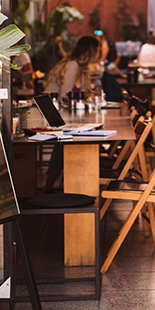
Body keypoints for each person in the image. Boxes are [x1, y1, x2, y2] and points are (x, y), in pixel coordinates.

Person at [43, 35, 101, 192]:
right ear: (91, 51)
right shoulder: (73, 66)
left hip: (61, 115)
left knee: (67, 141)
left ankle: (58, 183)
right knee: (66, 141)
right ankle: (57, 184)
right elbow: (65, 96)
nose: (99, 54)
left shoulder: (78, 67)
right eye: (98, 50)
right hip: (50, 114)